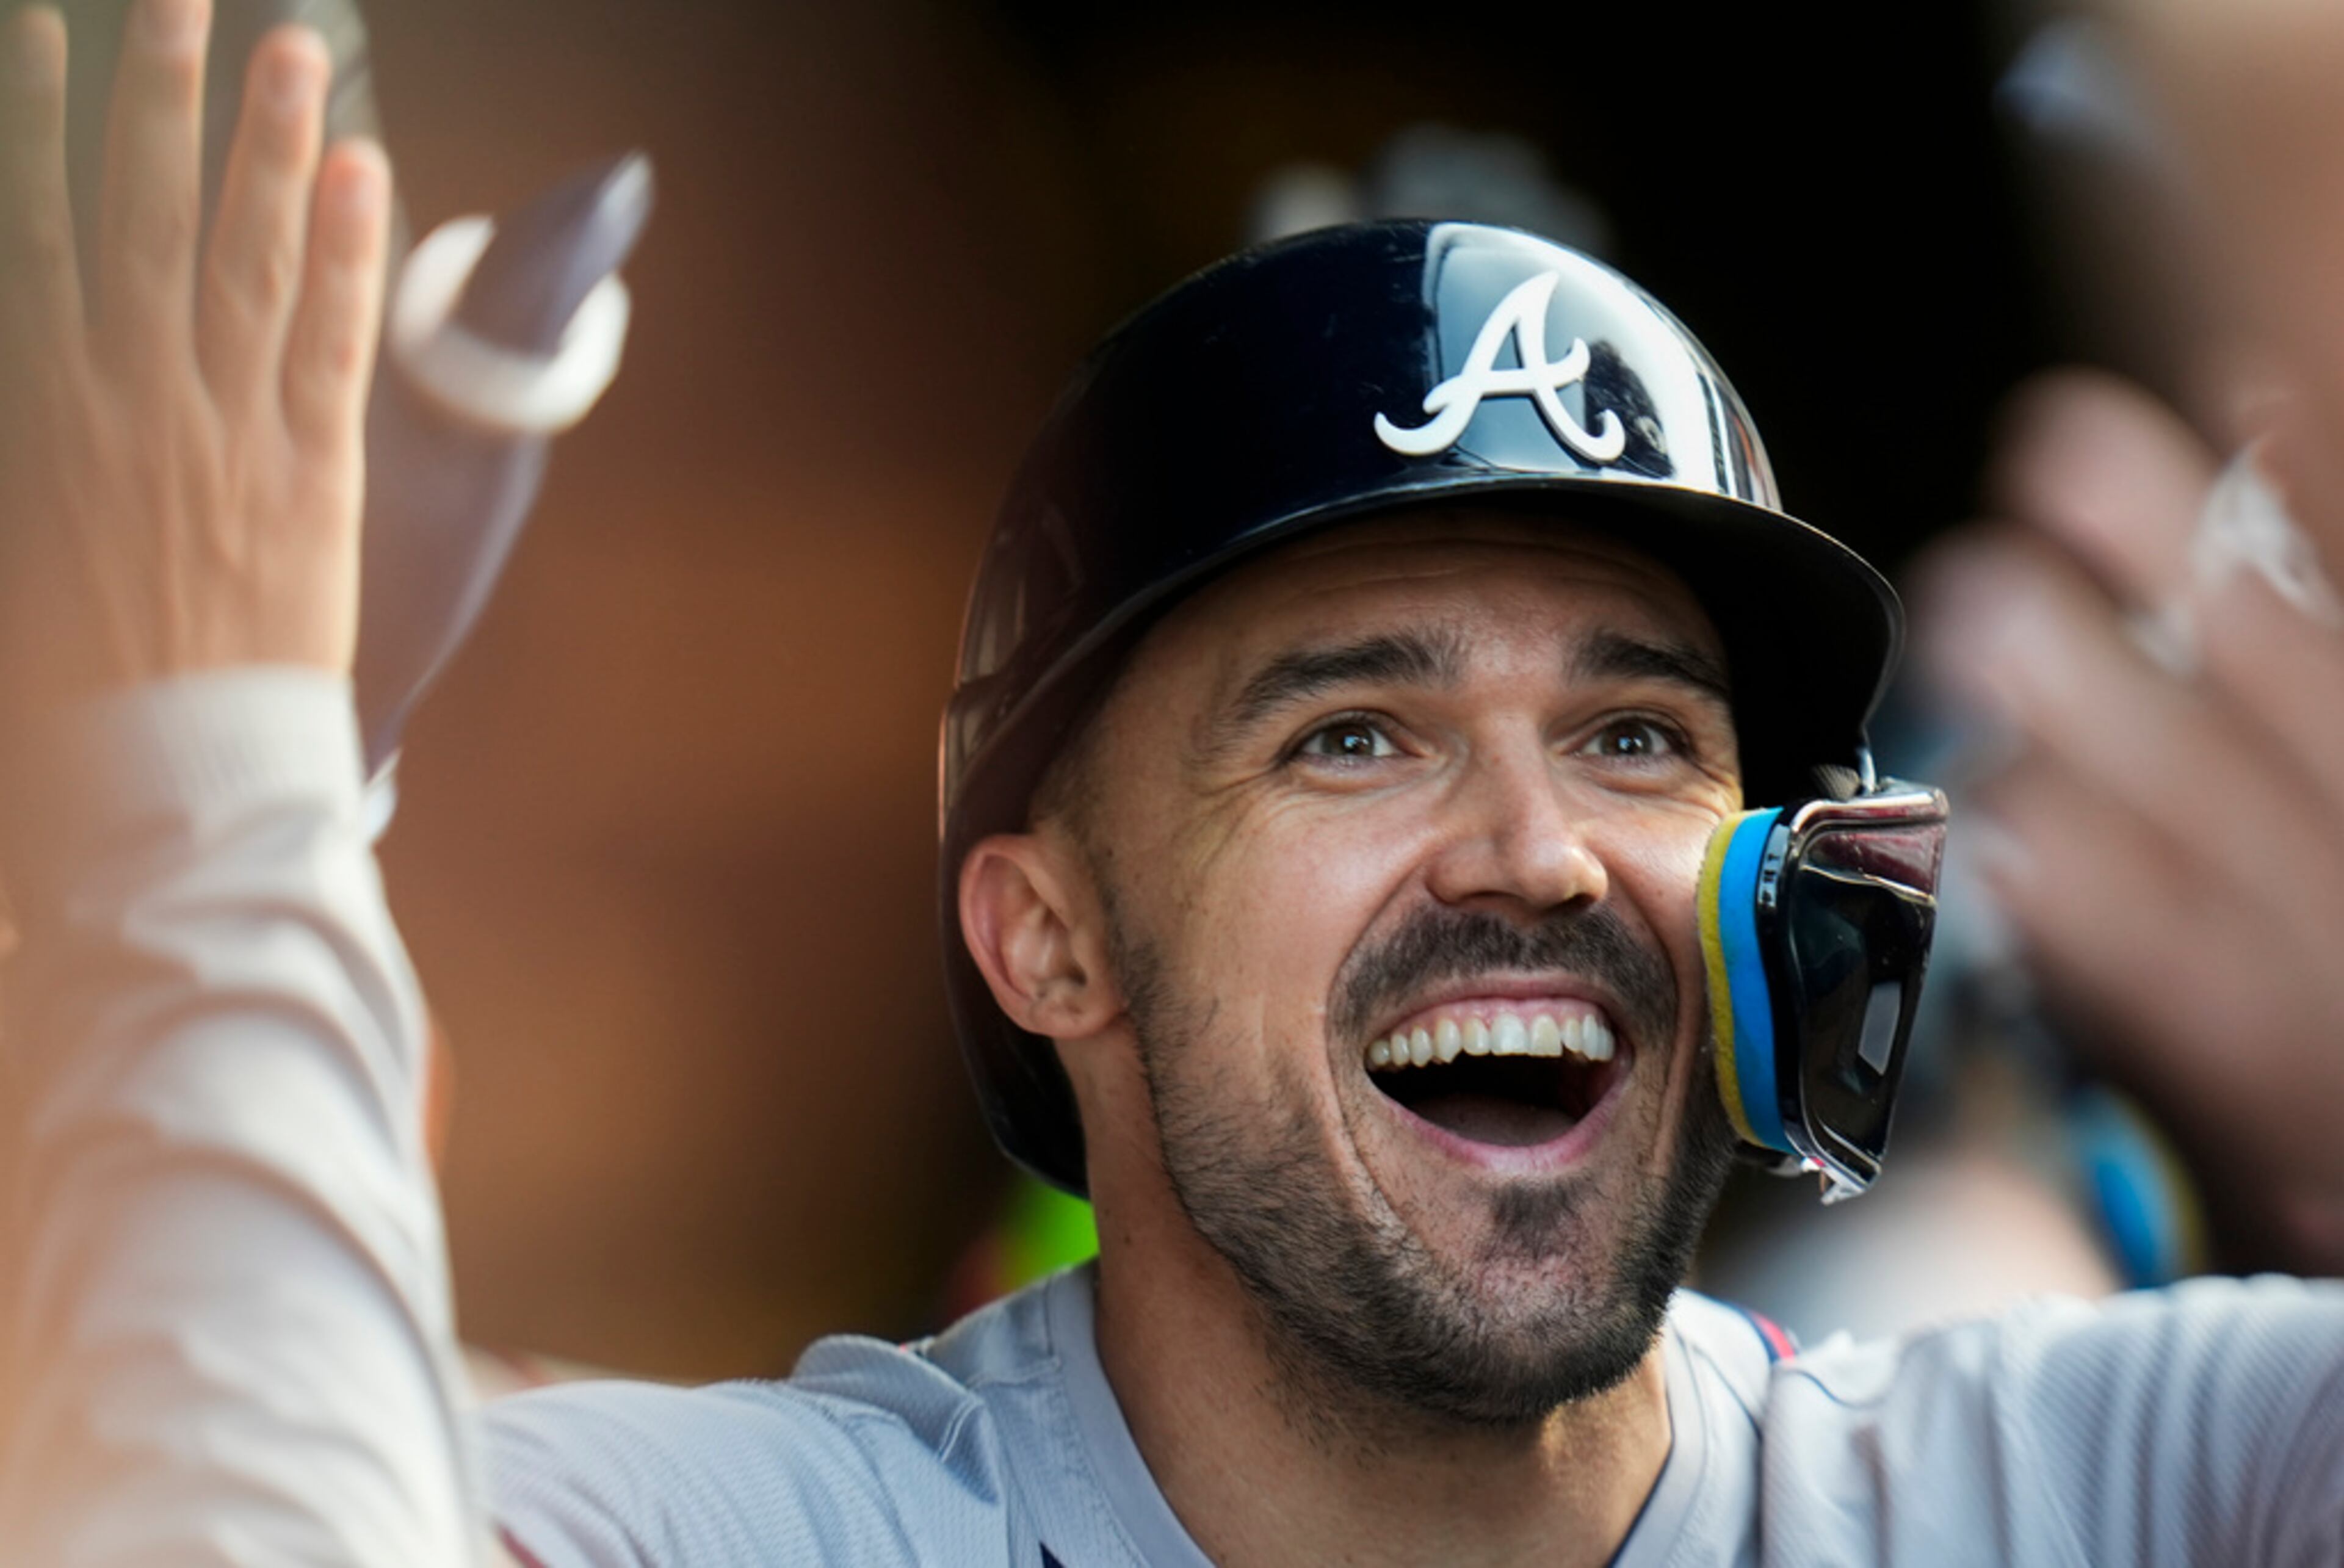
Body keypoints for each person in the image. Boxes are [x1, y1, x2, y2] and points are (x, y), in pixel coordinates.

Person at [3, 4, 2343, 1567]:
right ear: (1047, 933)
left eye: (1637, 729)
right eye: (1354, 730)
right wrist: (216, 805)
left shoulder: (2107, 1484)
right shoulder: (789, 1522)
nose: (1539, 848)